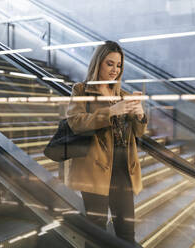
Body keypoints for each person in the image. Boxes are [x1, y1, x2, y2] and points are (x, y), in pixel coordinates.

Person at [66, 41, 147, 246]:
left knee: (126, 233)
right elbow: (75, 122)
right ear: (98, 63)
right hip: (95, 169)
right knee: (96, 234)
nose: (115, 70)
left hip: (123, 171)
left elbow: (137, 133)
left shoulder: (123, 95)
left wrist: (140, 116)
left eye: (118, 65)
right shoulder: (82, 90)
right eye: (109, 64)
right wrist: (111, 111)